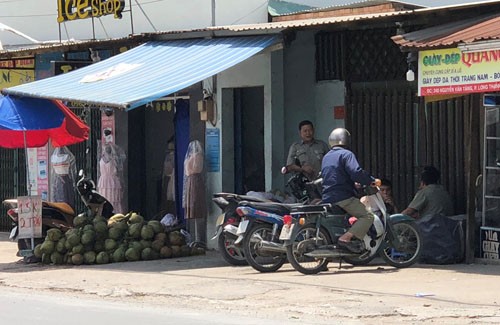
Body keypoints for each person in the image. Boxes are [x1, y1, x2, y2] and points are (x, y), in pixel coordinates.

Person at [321, 128, 380, 253]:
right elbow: (356, 172)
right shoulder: (346, 154)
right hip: (343, 197)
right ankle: (345, 238)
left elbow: (336, 174)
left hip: (327, 196)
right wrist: (370, 180)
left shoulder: (327, 156)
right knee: (368, 216)